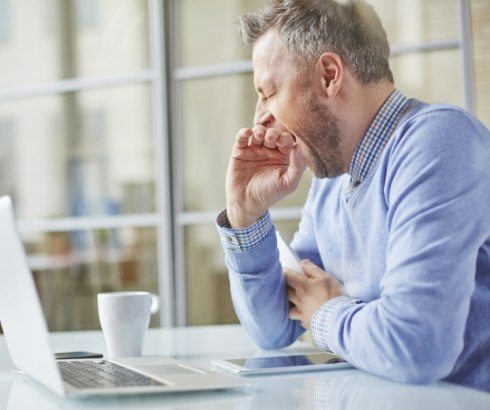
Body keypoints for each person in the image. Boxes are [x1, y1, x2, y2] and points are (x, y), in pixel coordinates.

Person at [215, 0, 490, 392]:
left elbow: (417, 346)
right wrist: (245, 214)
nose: (260, 117)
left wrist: (325, 312)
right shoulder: (332, 182)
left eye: (269, 91)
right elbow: (274, 328)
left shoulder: (439, 141)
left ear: (328, 75)